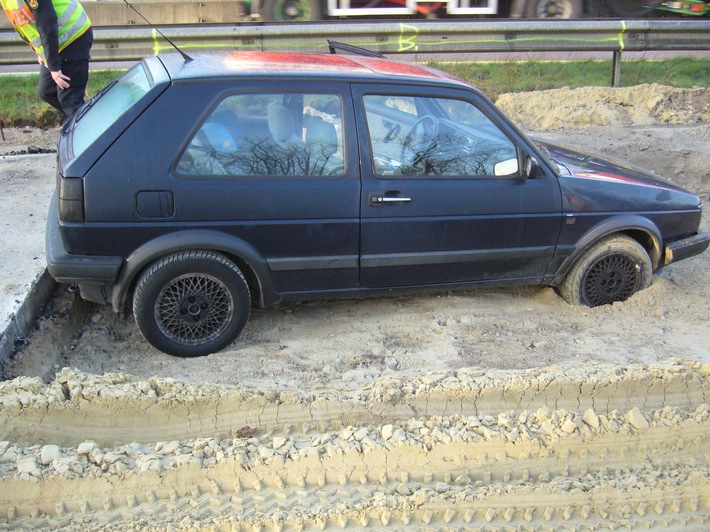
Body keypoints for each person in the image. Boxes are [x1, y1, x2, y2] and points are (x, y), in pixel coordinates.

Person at [1, 0, 93, 118]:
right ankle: (82, 121)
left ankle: (89, 129)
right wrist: (40, 52)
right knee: (47, 91)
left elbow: (47, 23)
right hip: (55, 41)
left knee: (70, 99)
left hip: (73, 36)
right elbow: (26, 25)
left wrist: (54, 67)